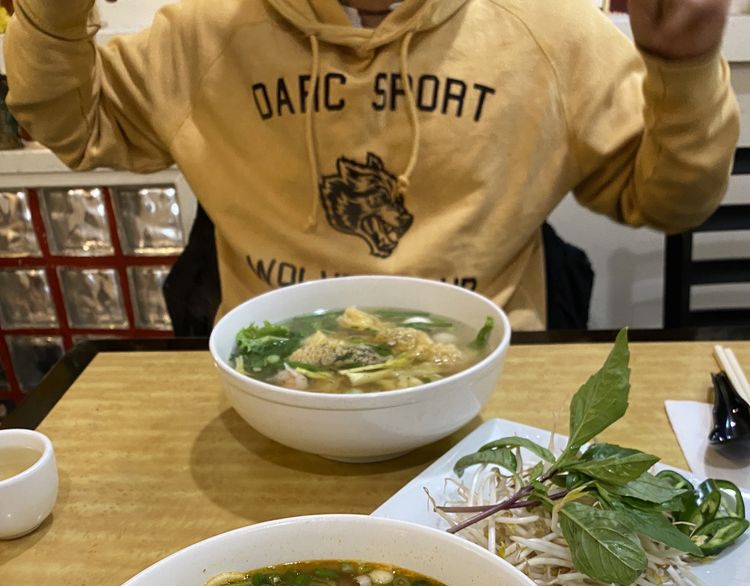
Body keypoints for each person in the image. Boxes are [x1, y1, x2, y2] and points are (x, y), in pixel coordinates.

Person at [4, 0, 739, 331]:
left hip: (487, 390)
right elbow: (69, 122)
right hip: (274, 389)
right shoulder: (202, 33)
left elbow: (672, 202)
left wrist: (683, 64)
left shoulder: (550, 31)